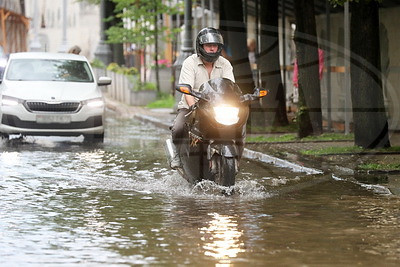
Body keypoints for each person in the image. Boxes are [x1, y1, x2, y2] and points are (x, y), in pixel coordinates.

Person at [170, 27, 235, 169]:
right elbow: (186, 90)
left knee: (237, 126)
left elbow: (231, 88)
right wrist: (193, 107)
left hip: (217, 108)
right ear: (200, 46)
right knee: (178, 128)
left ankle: (234, 157)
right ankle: (176, 154)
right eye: (208, 45)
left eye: (215, 45)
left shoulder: (225, 64)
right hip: (192, 106)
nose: (212, 49)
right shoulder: (189, 62)